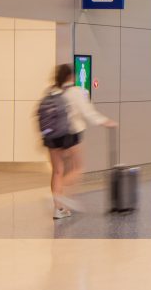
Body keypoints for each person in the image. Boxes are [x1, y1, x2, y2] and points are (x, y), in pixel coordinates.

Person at [40, 63, 114, 220]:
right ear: (71, 76)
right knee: (77, 169)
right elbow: (88, 112)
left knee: (57, 171)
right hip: (70, 135)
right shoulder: (76, 92)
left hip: (51, 137)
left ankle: (58, 208)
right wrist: (105, 121)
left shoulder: (52, 91)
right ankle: (58, 198)